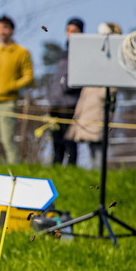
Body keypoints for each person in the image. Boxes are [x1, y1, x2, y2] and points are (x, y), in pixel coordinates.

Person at [0, 15, 34, 164]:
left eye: (5, 28)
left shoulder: (22, 52)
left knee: (7, 139)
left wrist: (11, 87)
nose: (1, 31)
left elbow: (28, 76)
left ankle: (14, 170)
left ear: (12, 30)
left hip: (8, 102)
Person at [66, 22, 122, 169]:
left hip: (99, 108)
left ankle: (98, 175)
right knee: (92, 145)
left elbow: (111, 89)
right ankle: (93, 176)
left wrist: (104, 94)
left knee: (99, 145)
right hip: (88, 106)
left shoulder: (114, 60)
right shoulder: (94, 59)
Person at [47, 17, 84, 165]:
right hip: (55, 103)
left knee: (69, 139)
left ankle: (71, 168)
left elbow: (79, 78)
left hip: (69, 104)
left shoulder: (83, 52)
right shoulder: (64, 52)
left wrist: (67, 86)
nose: (70, 34)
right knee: (56, 140)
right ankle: (56, 167)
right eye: (68, 30)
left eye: (74, 31)